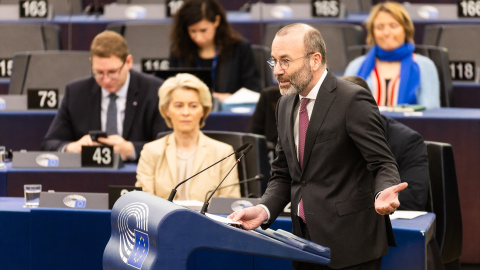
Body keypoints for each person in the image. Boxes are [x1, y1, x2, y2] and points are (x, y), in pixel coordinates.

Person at [229, 23, 408, 270]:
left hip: (352, 247)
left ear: (315, 60)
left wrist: (383, 192)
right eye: (274, 61)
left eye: (285, 61)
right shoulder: (284, 105)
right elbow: (284, 175)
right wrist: (263, 209)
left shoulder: (351, 99)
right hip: (304, 245)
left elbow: (382, 162)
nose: (277, 71)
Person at [41, 30, 168, 161]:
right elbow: (49, 144)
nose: (106, 80)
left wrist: (131, 150)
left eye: (113, 72)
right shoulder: (76, 93)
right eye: (99, 73)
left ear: (128, 62)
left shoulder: (155, 91)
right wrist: (71, 148)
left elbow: (168, 146)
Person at [135, 73, 240, 201]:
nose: (186, 113)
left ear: (203, 110)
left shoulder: (223, 153)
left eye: (193, 106)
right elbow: (144, 204)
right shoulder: (150, 151)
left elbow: (230, 205)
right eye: (178, 106)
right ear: (166, 110)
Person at [344, 2, 440, 109]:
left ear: (405, 29)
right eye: (380, 27)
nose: (386, 32)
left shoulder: (425, 66)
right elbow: (343, 108)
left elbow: (430, 111)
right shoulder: (356, 65)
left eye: (393, 26)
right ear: (373, 32)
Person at [169, 0, 262, 102]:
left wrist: (230, 98)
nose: (198, 38)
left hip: (230, 113)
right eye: (193, 31)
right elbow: (170, 88)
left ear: (216, 21)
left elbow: (254, 90)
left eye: (203, 30)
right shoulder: (179, 49)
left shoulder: (239, 48)